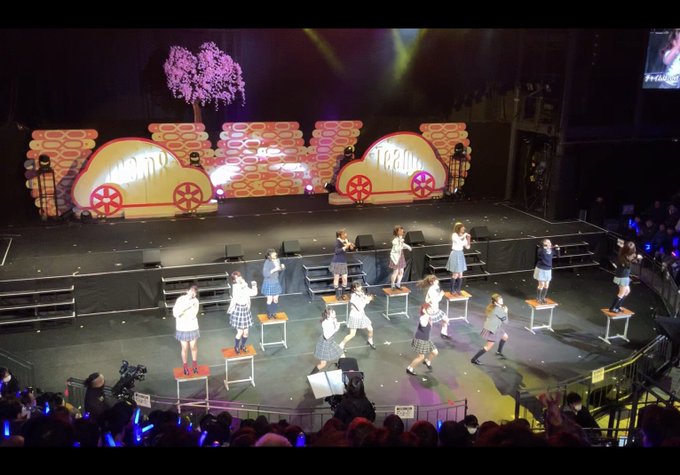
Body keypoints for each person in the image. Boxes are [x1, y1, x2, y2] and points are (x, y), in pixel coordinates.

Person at [471, 293, 509, 365]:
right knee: (488, 347)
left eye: (501, 298)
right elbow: (506, 321)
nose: (502, 300)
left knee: (505, 337)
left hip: (495, 327)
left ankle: (498, 352)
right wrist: (506, 312)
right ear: (495, 302)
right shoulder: (498, 310)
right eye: (500, 299)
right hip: (492, 330)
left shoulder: (493, 307)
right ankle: (474, 359)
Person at [338, 281, 376, 350]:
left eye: (360, 286)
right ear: (354, 289)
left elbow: (366, 300)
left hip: (362, 315)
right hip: (354, 316)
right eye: (358, 287)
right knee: (352, 334)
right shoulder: (353, 296)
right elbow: (359, 307)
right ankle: (341, 345)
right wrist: (366, 300)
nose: (360, 287)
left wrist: (368, 299)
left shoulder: (361, 293)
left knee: (370, 329)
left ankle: (370, 340)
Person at [227, 271, 258, 354]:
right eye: (237, 278)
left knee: (246, 332)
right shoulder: (235, 287)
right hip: (238, 310)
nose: (239, 278)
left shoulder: (244, 286)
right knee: (240, 332)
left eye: (239, 276)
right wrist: (243, 285)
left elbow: (254, 293)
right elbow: (238, 295)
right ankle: (236, 346)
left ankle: (242, 346)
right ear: (234, 280)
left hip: (245, 310)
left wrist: (254, 285)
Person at [172, 285, 200, 375]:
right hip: (182, 327)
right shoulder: (180, 300)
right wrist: (186, 307)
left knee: (193, 347)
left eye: (195, 292)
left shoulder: (196, 301)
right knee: (184, 348)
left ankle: (194, 365)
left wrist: (184, 312)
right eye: (191, 291)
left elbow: (193, 315)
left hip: (192, 327)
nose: (193, 293)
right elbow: (175, 313)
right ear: (187, 291)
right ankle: (185, 367)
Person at [609, 241, 642, 313]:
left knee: (627, 291)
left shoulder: (629, 255)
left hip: (625, 276)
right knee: (622, 293)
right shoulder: (622, 256)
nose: (632, 253)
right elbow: (627, 264)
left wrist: (637, 259)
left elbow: (635, 262)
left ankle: (618, 306)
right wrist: (636, 258)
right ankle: (613, 308)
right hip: (622, 276)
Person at [406, 304, 439, 375]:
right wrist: (428, 316)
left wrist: (430, 316)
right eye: (429, 309)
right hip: (420, 339)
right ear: (424, 310)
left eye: (431, 309)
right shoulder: (423, 318)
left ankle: (427, 361)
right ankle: (410, 368)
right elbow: (424, 325)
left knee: (435, 352)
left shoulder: (429, 317)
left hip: (426, 339)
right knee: (421, 357)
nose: (431, 310)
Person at [310, 308, 345, 374]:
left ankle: (343, 371)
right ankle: (311, 375)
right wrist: (336, 329)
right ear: (328, 315)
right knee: (323, 364)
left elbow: (335, 326)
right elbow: (327, 336)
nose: (335, 313)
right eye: (333, 312)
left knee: (341, 354)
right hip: (325, 343)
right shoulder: (325, 323)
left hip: (331, 341)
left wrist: (337, 325)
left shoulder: (334, 319)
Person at [417, 274, 450, 339]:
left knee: (446, 319)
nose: (437, 281)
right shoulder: (431, 290)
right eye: (435, 280)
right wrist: (441, 295)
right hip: (431, 309)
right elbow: (434, 300)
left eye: (436, 279)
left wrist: (439, 295)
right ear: (431, 282)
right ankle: (424, 336)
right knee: (429, 324)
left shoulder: (436, 287)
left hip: (435, 308)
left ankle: (443, 333)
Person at [330, 229, 355, 301]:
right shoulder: (337, 242)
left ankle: (343, 294)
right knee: (336, 278)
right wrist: (345, 246)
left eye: (345, 233)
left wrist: (351, 246)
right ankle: (337, 294)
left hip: (343, 262)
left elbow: (350, 249)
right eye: (344, 234)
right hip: (337, 262)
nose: (346, 235)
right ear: (339, 235)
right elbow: (337, 251)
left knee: (345, 279)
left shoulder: (346, 240)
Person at [446, 222, 470, 295]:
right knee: (455, 274)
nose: (463, 229)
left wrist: (468, 239)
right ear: (458, 228)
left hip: (460, 254)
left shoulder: (463, 236)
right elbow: (459, 242)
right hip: (455, 254)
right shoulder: (454, 235)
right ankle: (452, 289)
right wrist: (464, 236)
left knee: (460, 274)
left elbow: (467, 247)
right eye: (462, 228)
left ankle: (458, 289)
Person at [534, 239, 560, 304]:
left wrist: (557, 249)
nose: (549, 243)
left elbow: (558, 256)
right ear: (543, 244)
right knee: (541, 284)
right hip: (541, 269)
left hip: (548, 269)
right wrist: (545, 247)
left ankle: (543, 298)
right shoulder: (541, 250)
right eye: (547, 242)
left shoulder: (550, 250)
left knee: (546, 285)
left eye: (549, 242)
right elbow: (543, 253)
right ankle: (538, 298)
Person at [262, 249, 285, 319]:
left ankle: (274, 312)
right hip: (269, 282)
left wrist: (282, 267)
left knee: (275, 299)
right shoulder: (267, 262)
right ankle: (269, 313)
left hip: (275, 282)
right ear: (269, 256)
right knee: (270, 299)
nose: (275, 255)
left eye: (275, 253)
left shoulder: (277, 260)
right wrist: (274, 269)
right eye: (273, 254)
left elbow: (279, 269)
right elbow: (265, 274)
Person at [389, 225, 412, 290]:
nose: (402, 231)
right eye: (400, 230)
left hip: (400, 256)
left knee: (401, 271)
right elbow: (396, 249)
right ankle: (392, 284)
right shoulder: (395, 240)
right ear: (397, 232)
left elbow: (402, 244)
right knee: (396, 271)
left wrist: (407, 246)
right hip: (395, 257)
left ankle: (398, 283)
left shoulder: (401, 238)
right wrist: (401, 244)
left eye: (402, 230)